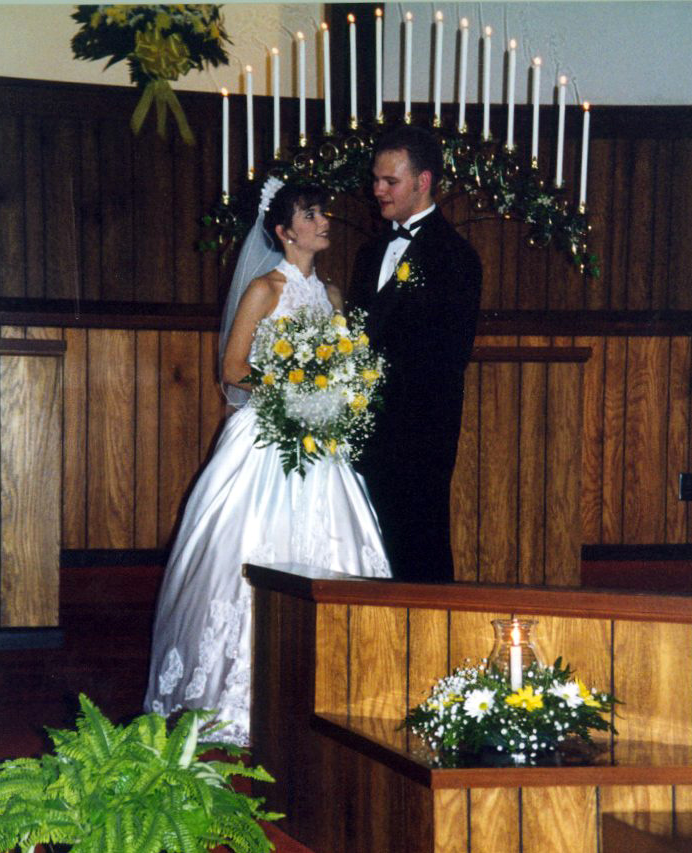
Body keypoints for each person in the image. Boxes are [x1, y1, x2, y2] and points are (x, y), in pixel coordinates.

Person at [144, 180, 391, 746]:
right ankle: (233, 696)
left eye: (323, 212)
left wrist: (336, 390)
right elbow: (232, 370)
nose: (324, 221)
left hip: (321, 442)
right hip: (267, 438)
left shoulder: (331, 293)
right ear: (283, 232)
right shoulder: (264, 288)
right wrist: (291, 389)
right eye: (310, 214)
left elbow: (343, 361)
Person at [348, 125, 482, 583]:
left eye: (390, 181)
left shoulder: (456, 257)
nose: (377, 190)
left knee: (419, 552)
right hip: (364, 431)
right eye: (375, 180)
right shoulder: (369, 254)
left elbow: (448, 357)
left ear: (423, 181)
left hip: (419, 435)